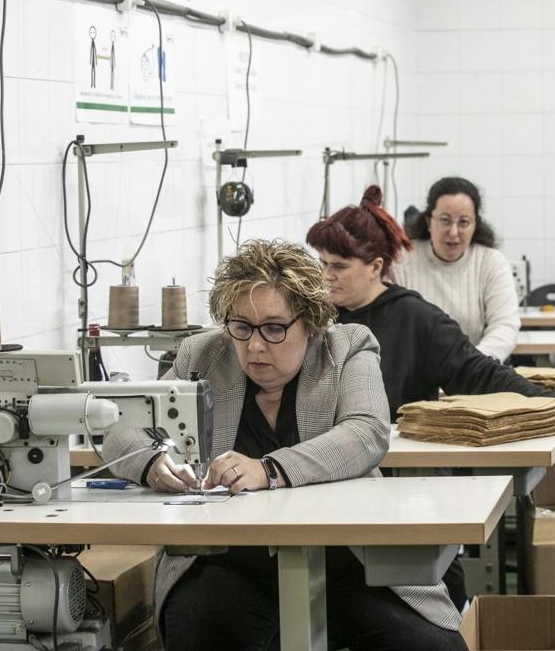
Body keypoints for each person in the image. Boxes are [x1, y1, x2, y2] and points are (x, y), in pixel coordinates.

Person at [105, 239, 467, 651]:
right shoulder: (202, 355)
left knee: (434, 648)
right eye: (241, 327)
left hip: (346, 563)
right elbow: (121, 426)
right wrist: (153, 461)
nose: (254, 346)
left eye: (274, 329)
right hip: (229, 564)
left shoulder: (346, 348)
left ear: (310, 324)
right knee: (198, 634)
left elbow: (366, 431)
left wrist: (269, 470)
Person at [307, 186, 555, 611]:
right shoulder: (316, 319)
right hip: (330, 479)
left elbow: (478, 372)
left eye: (339, 266)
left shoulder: (416, 319)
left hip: (405, 488)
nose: (326, 276)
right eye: (322, 264)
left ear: (376, 267)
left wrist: (549, 406)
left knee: (433, 601)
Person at [395, 177, 520, 362]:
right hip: (415, 376)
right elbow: (393, 327)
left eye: (463, 222)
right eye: (445, 220)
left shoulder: (491, 262)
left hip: (476, 374)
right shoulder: (402, 260)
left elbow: (505, 325)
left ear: (475, 224)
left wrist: (469, 366)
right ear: (429, 221)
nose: (453, 232)